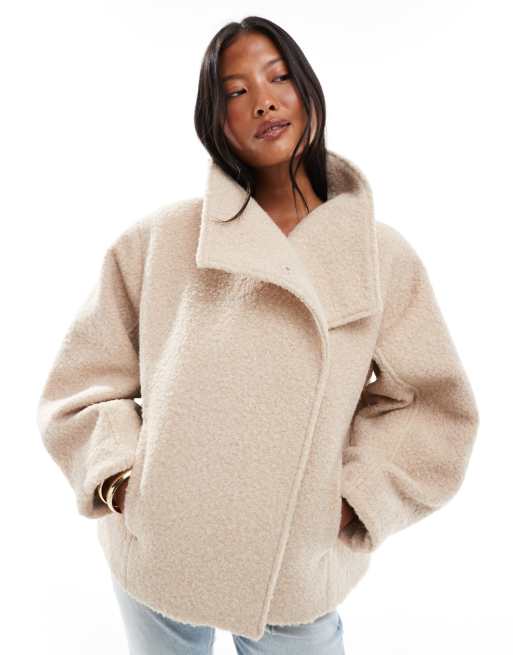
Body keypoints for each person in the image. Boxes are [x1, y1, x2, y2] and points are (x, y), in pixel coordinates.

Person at [36, 15, 480, 655]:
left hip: (293, 571)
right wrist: (123, 484)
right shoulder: (164, 238)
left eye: (278, 78)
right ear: (214, 123)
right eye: (236, 92)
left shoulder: (380, 257)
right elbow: (83, 381)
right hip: (159, 552)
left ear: (309, 90)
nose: (264, 101)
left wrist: (348, 504)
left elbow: (433, 408)